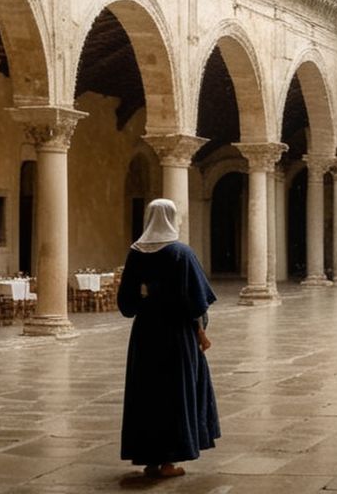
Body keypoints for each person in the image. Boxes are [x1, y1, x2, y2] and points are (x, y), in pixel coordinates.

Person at [117, 199, 220, 479]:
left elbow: (126, 304)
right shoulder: (181, 253)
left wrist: (147, 296)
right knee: (176, 391)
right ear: (171, 219)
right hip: (177, 334)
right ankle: (169, 463)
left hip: (146, 334)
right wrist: (201, 331)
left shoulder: (135, 253)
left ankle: (150, 460)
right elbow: (197, 302)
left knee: (147, 393)